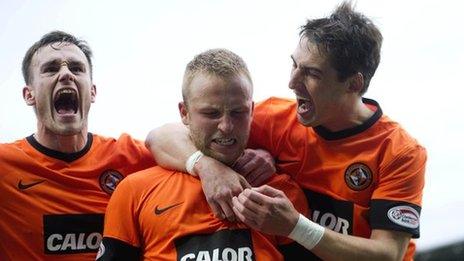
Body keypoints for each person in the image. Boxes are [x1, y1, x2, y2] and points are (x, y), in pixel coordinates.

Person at [146, 2, 427, 260]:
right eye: (295, 64)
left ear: (353, 84)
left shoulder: (399, 152)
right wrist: (207, 167)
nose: (292, 82)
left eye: (312, 74)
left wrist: (296, 227)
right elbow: (160, 137)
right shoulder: (276, 118)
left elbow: (388, 254)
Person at [97, 49, 308, 260]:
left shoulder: (281, 193)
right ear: (184, 113)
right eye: (211, 114)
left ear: (252, 111)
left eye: (237, 112)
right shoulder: (134, 192)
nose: (226, 126)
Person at [0, 31, 155, 260]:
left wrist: (200, 163)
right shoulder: (5, 166)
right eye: (51, 68)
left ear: (92, 92)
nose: (66, 74)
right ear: (28, 94)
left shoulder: (131, 157)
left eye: (77, 68)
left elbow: (183, 138)